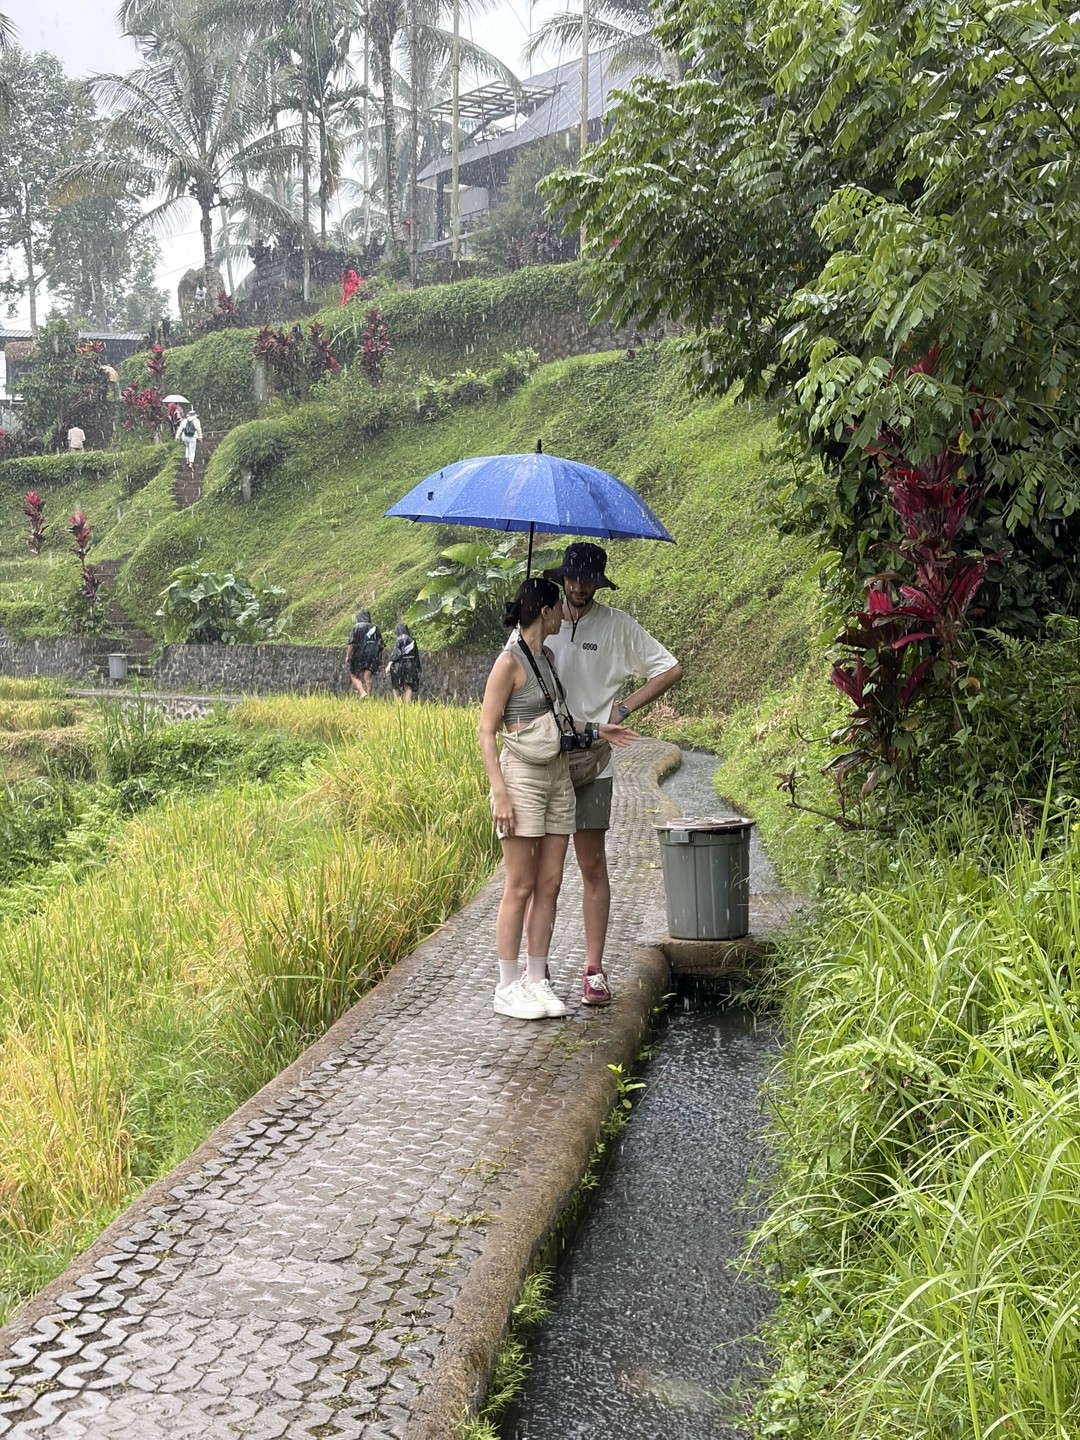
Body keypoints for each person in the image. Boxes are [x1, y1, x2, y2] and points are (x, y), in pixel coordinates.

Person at [479, 576, 637, 1021]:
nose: (565, 612)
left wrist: (598, 730)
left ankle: (536, 979)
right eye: (558, 607)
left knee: (550, 882)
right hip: (522, 779)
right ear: (545, 611)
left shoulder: (546, 658)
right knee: (520, 885)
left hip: (557, 778)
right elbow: (486, 731)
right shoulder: (509, 663)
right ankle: (507, 985)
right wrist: (499, 792)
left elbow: (561, 722)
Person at [543, 542, 683, 1006]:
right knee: (545, 873)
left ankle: (594, 969)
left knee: (592, 866)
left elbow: (670, 667)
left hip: (593, 762)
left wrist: (622, 708)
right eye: (573, 578)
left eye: (588, 580)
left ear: (598, 583)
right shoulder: (542, 620)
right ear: (563, 577)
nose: (579, 587)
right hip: (544, 759)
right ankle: (536, 971)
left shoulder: (618, 626)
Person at [344, 608, 383, 698]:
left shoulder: (357, 627)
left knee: (354, 675)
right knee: (367, 678)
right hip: (373, 655)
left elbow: (352, 643)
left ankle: (362, 692)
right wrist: (379, 658)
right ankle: (368, 698)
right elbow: (381, 645)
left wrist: (347, 655)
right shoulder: (375, 628)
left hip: (360, 654)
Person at [386, 621, 421, 701]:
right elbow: (416, 655)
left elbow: (396, 654)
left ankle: (398, 704)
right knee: (408, 686)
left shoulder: (399, 639)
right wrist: (418, 667)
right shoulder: (412, 640)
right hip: (411, 665)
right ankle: (407, 707)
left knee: (395, 686)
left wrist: (389, 665)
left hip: (401, 665)